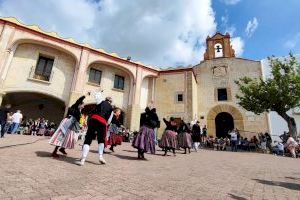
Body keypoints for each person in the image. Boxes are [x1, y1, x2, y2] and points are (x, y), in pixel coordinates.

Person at [77, 96, 113, 166]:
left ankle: (83, 160)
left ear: (105, 99)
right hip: (102, 122)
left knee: (88, 139)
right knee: (101, 140)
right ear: (110, 102)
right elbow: (109, 121)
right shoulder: (111, 109)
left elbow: (93, 111)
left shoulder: (100, 102)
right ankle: (100, 156)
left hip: (94, 120)